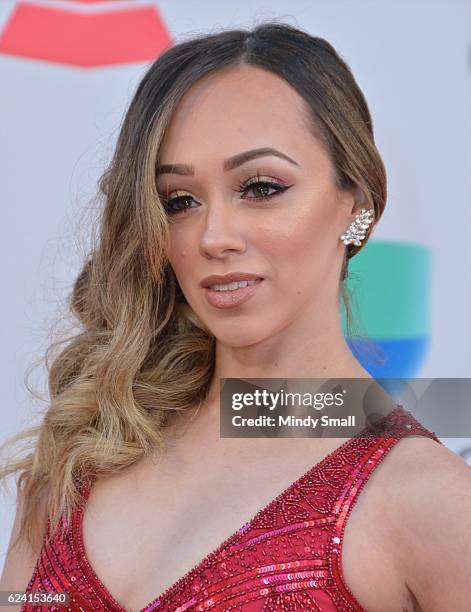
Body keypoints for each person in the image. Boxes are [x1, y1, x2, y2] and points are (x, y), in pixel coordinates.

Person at [1, 21, 470, 612]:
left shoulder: (432, 505)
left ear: (356, 206)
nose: (213, 236)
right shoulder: (77, 462)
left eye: (261, 187)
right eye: (180, 202)